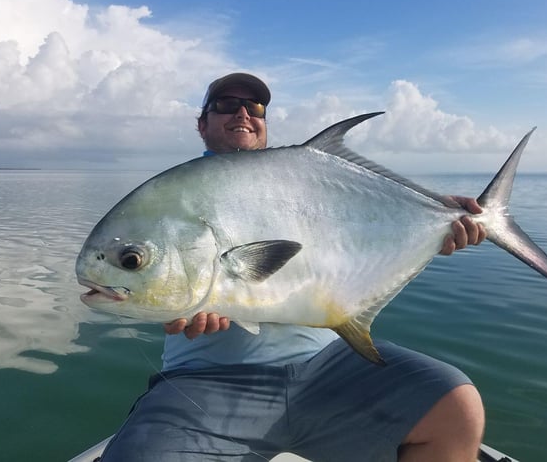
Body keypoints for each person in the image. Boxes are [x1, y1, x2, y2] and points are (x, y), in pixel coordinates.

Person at [100, 73, 486, 462]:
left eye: (255, 107)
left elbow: (362, 224)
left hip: (328, 368)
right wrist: (175, 309)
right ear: (201, 124)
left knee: (455, 406)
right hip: (209, 381)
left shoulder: (305, 184)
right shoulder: (173, 200)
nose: (243, 113)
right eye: (225, 105)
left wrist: (436, 217)